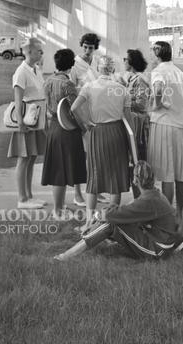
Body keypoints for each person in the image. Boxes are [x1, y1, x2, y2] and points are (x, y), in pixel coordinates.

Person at [54, 161, 183, 261]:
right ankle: (86, 239)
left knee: (111, 224)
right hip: (161, 241)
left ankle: (67, 255)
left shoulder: (148, 201)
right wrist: (104, 214)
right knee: (112, 220)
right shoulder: (154, 194)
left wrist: (98, 214)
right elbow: (125, 210)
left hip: (158, 249)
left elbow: (114, 215)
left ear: (136, 181)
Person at [70, 54, 132, 233]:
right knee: (116, 177)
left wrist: (86, 123)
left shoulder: (89, 87)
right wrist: (132, 144)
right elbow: (129, 122)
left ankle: (89, 222)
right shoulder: (121, 89)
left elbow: (73, 108)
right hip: (117, 132)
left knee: (94, 177)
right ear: (112, 69)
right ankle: (112, 222)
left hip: (96, 132)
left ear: (98, 68)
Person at [41, 48, 87, 220]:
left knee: (57, 169)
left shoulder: (48, 81)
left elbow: (46, 106)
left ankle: (59, 206)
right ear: (71, 65)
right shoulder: (68, 85)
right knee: (61, 171)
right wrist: (84, 128)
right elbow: (75, 111)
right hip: (66, 129)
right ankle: (58, 210)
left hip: (53, 126)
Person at [147, 41, 183, 215]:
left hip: (164, 123)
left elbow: (157, 90)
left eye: (152, 51)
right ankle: (180, 213)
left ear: (157, 54)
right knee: (180, 173)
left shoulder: (158, 71)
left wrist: (156, 105)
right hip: (180, 125)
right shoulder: (179, 72)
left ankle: (168, 215)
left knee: (166, 174)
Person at [7, 37, 47, 209]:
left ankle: (29, 196)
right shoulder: (21, 72)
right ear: (29, 52)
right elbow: (18, 99)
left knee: (31, 157)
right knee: (23, 159)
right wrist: (21, 124)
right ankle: (22, 199)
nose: (42, 53)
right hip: (26, 119)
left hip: (37, 118)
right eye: (39, 50)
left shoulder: (36, 69)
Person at [70, 32, 100, 206]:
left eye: (91, 47)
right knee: (80, 154)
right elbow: (72, 93)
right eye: (85, 47)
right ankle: (77, 193)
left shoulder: (97, 62)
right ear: (82, 46)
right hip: (81, 113)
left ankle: (95, 189)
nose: (88, 50)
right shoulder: (75, 65)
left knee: (94, 154)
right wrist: (78, 119)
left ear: (95, 48)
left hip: (96, 113)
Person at [122, 49, 151, 196]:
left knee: (138, 161)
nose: (124, 62)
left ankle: (141, 197)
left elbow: (142, 104)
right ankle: (138, 197)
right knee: (134, 161)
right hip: (134, 125)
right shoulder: (132, 79)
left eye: (125, 59)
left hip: (139, 127)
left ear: (131, 62)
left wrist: (124, 100)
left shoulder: (140, 80)